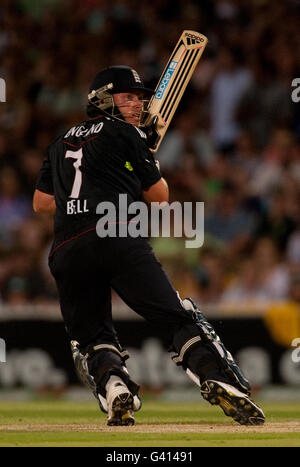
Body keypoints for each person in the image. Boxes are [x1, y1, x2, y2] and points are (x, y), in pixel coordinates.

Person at [33, 65, 265, 426]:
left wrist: (95, 184)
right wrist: (143, 155)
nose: (137, 104)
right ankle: (215, 376)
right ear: (102, 100)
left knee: (92, 335)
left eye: (139, 98)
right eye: (128, 98)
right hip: (118, 236)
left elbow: (42, 203)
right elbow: (159, 196)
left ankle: (113, 387)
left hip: (68, 247)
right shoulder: (126, 133)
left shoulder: (58, 142)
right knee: (175, 315)